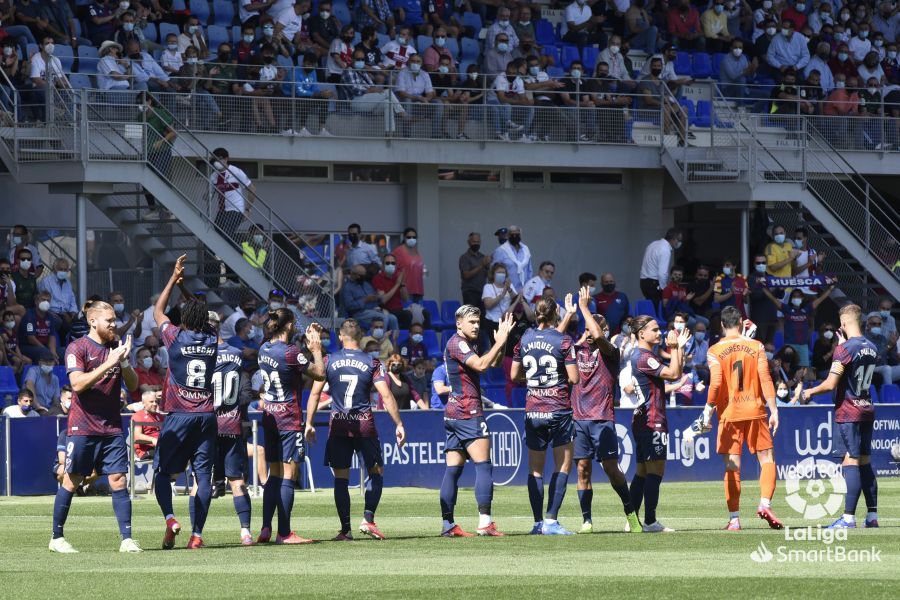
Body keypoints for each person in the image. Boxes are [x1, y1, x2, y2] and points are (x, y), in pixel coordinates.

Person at [49, 299, 140, 554]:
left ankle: (127, 539)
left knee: (119, 479)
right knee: (72, 480)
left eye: (114, 320)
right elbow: (77, 384)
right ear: (93, 321)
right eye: (109, 321)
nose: (114, 324)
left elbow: (132, 386)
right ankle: (56, 537)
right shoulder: (77, 348)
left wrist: (123, 362)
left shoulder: (116, 348)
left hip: (111, 427)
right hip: (83, 427)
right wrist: (109, 363)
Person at [306, 319, 406, 540]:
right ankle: (368, 519)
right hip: (364, 425)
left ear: (340, 337)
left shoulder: (328, 359)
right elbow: (386, 395)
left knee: (340, 478)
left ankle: (345, 530)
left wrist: (309, 423)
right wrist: (398, 424)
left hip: (338, 425)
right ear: (361, 337)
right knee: (376, 471)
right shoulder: (372, 362)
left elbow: (314, 394)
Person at [693, 306, 783, 531]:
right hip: (756, 410)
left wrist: (707, 411)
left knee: (732, 466)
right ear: (742, 322)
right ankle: (765, 504)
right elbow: (765, 378)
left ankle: (734, 520)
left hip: (729, 413)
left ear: (722, 325)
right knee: (767, 459)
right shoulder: (757, 346)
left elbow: (715, 384)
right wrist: (774, 409)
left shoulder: (714, 350)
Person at [151, 255, 219, 550]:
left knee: (163, 474)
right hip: (206, 415)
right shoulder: (213, 338)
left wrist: (173, 279)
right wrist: (186, 290)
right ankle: (197, 535)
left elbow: (157, 311)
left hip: (178, 414)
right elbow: (201, 315)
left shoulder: (175, 337)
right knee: (203, 476)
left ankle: (170, 518)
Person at [801, 304, 879, 529]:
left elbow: (831, 384)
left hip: (849, 410)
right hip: (866, 407)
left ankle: (848, 519)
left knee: (850, 461)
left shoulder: (844, 349)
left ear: (843, 324)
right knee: (865, 461)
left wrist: (809, 391)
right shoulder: (871, 346)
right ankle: (872, 516)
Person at [571, 288, 640, 534]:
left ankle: (631, 512)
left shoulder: (611, 352)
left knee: (611, 469)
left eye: (592, 329)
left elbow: (599, 336)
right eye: (586, 329)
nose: (588, 333)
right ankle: (587, 520)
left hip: (602, 418)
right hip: (579, 419)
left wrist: (585, 309)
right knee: (582, 469)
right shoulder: (576, 352)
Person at [439, 306, 513, 537]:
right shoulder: (457, 343)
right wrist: (500, 341)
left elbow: (493, 363)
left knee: (453, 470)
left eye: (478, 321)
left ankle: (448, 525)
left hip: (454, 413)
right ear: (458, 323)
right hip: (468, 411)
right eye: (471, 321)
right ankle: (485, 522)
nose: (476, 325)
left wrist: (501, 342)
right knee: (483, 465)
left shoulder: (468, 343)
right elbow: (481, 365)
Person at [510, 295, 579, 535]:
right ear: (554, 314)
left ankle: (537, 522)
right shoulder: (564, 340)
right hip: (558, 409)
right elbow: (574, 378)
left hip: (533, 410)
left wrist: (532, 379)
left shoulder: (525, 338)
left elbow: (514, 375)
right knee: (563, 466)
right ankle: (551, 521)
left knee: (535, 470)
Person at [256, 310, 325, 544]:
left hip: (269, 415)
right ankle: (284, 533)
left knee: (273, 473)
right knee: (289, 474)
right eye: (294, 323)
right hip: (288, 418)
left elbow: (289, 363)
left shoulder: (263, 348)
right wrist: (316, 349)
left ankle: (266, 528)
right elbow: (319, 373)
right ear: (287, 326)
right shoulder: (291, 352)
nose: (296, 326)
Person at [629, 314, 689, 532]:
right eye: (654, 329)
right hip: (652, 419)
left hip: (643, 418)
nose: (659, 332)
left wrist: (679, 348)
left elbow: (676, 371)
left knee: (642, 472)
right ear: (641, 333)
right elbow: (674, 373)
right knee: (655, 471)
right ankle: (650, 521)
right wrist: (675, 349)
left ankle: (633, 520)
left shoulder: (643, 355)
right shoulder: (645, 357)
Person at [205, 311, 255, 545]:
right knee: (237, 480)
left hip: (206, 423)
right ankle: (245, 531)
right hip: (232, 421)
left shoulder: (202, 355)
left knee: (200, 480)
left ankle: (196, 535)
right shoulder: (236, 354)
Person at [761, 284, 835, 368]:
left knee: (804, 369)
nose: (797, 298)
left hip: (803, 345)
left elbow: (820, 299)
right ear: (791, 298)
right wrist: (763, 287)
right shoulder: (787, 309)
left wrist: (830, 289)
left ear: (802, 298)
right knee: (788, 368)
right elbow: (773, 299)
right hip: (790, 345)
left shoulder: (807, 309)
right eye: (794, 296)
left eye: (799, 296)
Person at [210, 147, 255, 242]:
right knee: (217, 231)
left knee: (226, 234)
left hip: (235, 209)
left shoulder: (235, 172)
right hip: (222, 210)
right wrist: (207, 195)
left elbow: (252, 189)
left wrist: (247, 209)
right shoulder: (214, 176)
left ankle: (229, 254)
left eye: (219, 158)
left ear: (226, 159)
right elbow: (210, 192)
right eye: (215, 159)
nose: (217, 161)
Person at [639, 228, 682, 306]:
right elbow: (662, 273)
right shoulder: (665, 249)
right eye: (679, 240)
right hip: (654, 284)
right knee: (659, 309)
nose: (679, 243)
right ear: (674, 239)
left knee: (651, 308)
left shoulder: (653, 244)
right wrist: (664, 289)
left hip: (643, 282)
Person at [19, 291, 60, 363]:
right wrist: (46, 351)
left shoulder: (50, 316)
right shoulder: (29, 315)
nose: (46, 302)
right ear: (36, 301)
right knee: (45, 353)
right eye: (43, 300)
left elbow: (52, 336)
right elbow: (31, 339)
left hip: (44, 347)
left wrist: (53, 351)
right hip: (28, 347)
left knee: (64, 352)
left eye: (48, 300)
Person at [39, 258, 77, 332]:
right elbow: (48, 301)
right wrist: (64, 313)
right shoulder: (47, 281)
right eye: (61, 269)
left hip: (67, 313)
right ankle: (63, 343)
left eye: (65, 270)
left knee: (81, 322)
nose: (63, 271)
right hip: (52, 312)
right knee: (62, 323)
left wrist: (73, 312)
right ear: (55, 269)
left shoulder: (68, 283)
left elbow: (72, 299)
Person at [492, 225, 531, 291]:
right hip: (506, 291)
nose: (514, 236)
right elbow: (493, 271)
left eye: (517, 234)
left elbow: (529, 271)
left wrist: (528, 288)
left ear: (520, 235)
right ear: (508, 236)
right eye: (512, 234)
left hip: (524, 291)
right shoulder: (500, 251)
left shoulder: (526, 250)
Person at [865, 313, 900, 386]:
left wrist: (893, 346)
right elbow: (875, 357)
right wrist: (889, 346)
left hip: (885, 369)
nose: (877, 326)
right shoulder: (863, 339)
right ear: (868, 325)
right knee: (886, 369)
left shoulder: (883, 339)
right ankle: (889, 394)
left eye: (879, 324)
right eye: (874, 324)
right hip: (870, 369)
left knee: (888, 368)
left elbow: (893, 361)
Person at [393, 227, 426, 302]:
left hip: (418, 290)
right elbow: (394, 271)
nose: (412, 239)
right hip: (406, 291)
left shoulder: (415, 251)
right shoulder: (398, 251)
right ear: (404, 238)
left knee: (419, 313)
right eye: (409, 237)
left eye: (414, 237)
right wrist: (401, 285)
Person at [459, 232, 491, 310]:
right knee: (471, 318)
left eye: (478, 242)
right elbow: (466, 275)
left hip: (482, 292)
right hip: (470, 293)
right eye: (474, 242)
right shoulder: (464, 258)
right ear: (469, 242)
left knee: (482, 319)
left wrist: (488, 266)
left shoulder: (482, 257)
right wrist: (481, 266)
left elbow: (487, 275)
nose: (476, 244)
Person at [132, 387, 164, 460]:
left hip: (160, 447)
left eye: (156, 401)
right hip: (146, 450)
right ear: (143, 403)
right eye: (151, 402)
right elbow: (137, 436)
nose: (155, 404)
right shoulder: (138, 416)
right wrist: (153, 439)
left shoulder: (160, 416)